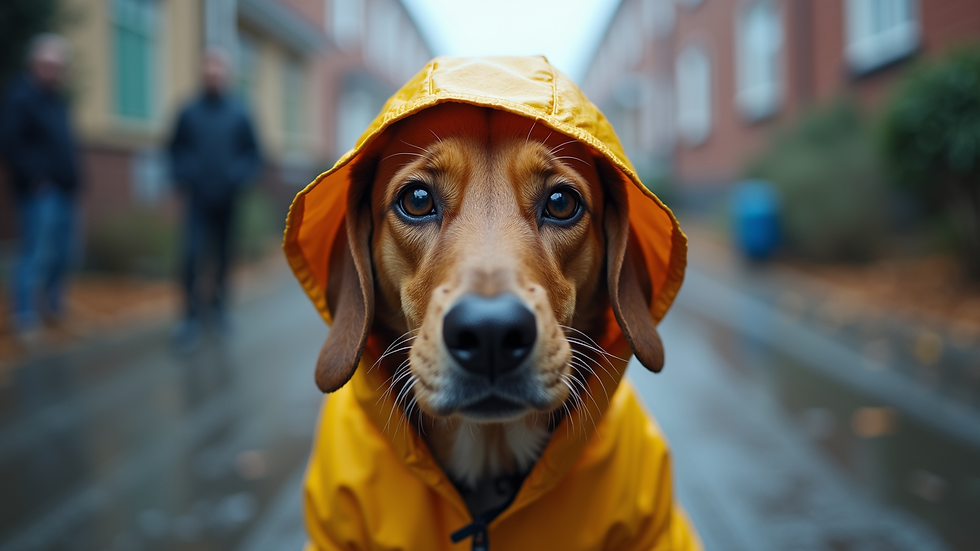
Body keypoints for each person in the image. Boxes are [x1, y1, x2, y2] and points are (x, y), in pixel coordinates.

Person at [168, 49, 262, 348]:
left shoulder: (239, 113)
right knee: (191, 256)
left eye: (218, 70)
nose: (213, 74)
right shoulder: (188, 112)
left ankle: (219, 310)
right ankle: (190, 318)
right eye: (208, 69)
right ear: (202, 73)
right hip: (197, 200)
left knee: (223, 256)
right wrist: (186, 174)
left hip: (227, 200)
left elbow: (254, 154)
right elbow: (174, 150)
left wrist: (238, 176)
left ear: (225, 74)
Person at [0, 34, 80, 341]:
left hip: (65, 189)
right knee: (35, 253)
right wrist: (35, 177)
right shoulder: (21, 96)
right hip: (39, 192)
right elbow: (10, 141)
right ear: (33, 64)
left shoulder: (57, 99)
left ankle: (53, 308)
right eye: (48, 64)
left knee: (62, 254)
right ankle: (24, 316)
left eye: (58, 65)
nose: (53, 70)